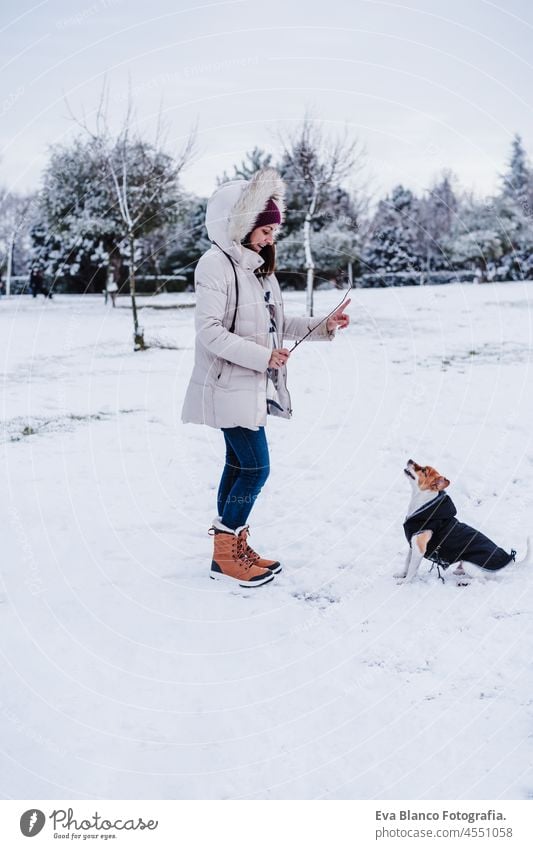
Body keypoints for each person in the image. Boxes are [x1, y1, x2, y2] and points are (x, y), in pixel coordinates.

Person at [181, 168, 350, 587]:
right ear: (239, 226)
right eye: (265, 230)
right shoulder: (215, 265)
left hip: (250, 384)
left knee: (239, 464)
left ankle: (230, 545)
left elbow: (278, 322)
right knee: (256, 468)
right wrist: (264, 357)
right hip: (227, 383)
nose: (271, 238)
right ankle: (226, 551)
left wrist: (325, 324)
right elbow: (210, 331)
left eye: (274, 230)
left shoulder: (258, 269)